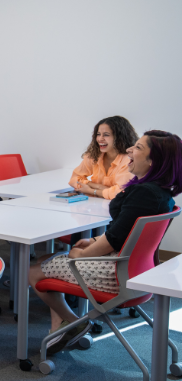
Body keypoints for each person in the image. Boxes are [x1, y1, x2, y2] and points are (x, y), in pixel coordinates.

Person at [30, 130, 182, 355]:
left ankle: (73, 323)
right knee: (50, 261)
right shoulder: (160, 194)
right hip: (137, 269)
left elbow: (114, 238)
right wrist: (93, 240)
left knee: (34, 270)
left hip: (116, 274)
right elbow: (127, 232)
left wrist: (84, 254)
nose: (129, 150)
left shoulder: (144, 194)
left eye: (138, 148)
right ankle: (60, 328)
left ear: (153, 161)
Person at [69, 115, 138, 199]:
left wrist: (92, 191)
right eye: (98, 134)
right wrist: (98, 187)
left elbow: (121, 193)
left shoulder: (130, 160)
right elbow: (74, 179)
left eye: (106, 135)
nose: (100, 139)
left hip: (119, 208)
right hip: (97, 204)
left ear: (120, 137)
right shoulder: (94, 155)